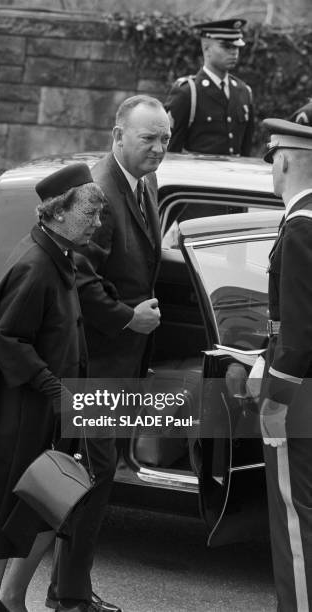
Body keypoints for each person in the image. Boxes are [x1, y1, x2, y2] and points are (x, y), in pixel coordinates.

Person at [0, 95, 171, 612]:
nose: (159, 148)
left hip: (120, 369)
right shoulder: (96, 191)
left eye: (165, 138)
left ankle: (66, 590)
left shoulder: (144, 183)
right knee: (79, 483)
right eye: (149, 138)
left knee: (88, 483)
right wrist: (128, 318)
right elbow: (83, 278)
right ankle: (42, 593)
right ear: (117, 136)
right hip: (93, 366)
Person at [0, 163, 105, 612]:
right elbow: (8, 338)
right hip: (16, 416)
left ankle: (10, 599)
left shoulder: (60, 255)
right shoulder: (36, 265)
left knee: (39, 507)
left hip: (38, 414)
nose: (98, 223)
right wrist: (53, 388)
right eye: (91, 213)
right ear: (58, 212)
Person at [260, 118, 312, 611]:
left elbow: (296, 339)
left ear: (284, 160)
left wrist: (273, 399)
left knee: (294, 520)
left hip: (299, 398)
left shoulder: (300, 228)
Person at [165, 18, 254, 156]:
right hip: (198, 175)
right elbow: (170, 149)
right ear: (206, 48)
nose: (234, 52)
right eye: (226, 46)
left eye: (236, 46)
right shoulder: (188, 92)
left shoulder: (244, 91)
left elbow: (245, 150)